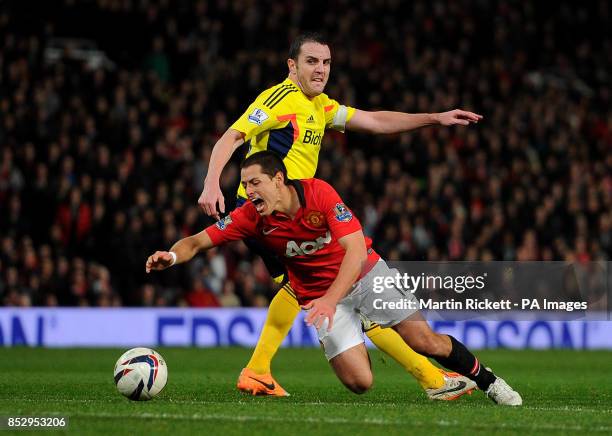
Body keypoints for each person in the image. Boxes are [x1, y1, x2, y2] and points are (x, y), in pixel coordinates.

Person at [198, 32, 483, 398]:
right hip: (268, 215)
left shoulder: (320, 106)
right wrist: (211, 183)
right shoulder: (277, 99)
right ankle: (431, 378)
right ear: (292, 65)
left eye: (326, 63)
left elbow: (375, 122)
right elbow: (231, 138)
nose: (320, 70)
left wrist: (433, 118)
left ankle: (258, 369)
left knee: (325, 290)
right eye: (312, 62)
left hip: (295, 218)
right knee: (344, 288)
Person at [151, 151, 521, 405]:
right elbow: (198, 241)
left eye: (255, 183)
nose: (249, 192)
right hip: (319, 297)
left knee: (424, 341)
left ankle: (488, 381)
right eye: (245, 185)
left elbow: (356, 252)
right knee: (360, 384)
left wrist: (330, 300)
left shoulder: (320, 193)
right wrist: (171, 254)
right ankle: (362, 330)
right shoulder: (250, 216)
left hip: (364, 275)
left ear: (279, 179)